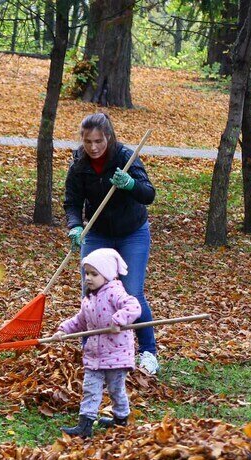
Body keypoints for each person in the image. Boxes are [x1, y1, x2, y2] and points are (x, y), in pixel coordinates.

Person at [63, 112, 159, 376]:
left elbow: (148, 193)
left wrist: (129, 184)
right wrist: (75, 226)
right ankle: (91, 349)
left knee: (132, 293)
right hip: (97, 233)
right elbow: (72, 201)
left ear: (109, 137)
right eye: (88, 142)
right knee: (91, 292)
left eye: (99, 141)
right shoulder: (79, 164)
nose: (93, 147)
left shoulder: (125, 158)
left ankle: (148, 352)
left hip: (132, 232)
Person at [51, 248, 141, 438]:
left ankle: (121, 419)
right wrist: (63, 330)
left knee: (116, 390)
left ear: (107, 274)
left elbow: (133, 307)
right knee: (90, 389)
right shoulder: (89, 298)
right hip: (94, 354)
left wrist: (119, 320)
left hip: (116, 354)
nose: (88, 278)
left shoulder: (115, 292)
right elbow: (80, 321)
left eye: (94, 274)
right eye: (86, 273)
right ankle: (85, 426)